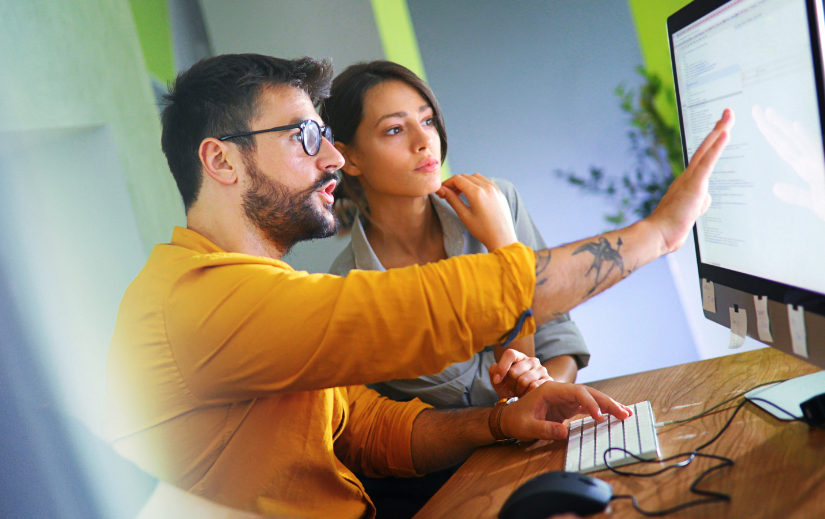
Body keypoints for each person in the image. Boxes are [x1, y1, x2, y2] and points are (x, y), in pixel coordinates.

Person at [102, 53, 733, 519]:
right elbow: (424, 311)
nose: (329, 160)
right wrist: (658, 233)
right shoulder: (196, 302)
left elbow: (372, 429)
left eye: (322, 137)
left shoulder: (263, 289)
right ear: (221, 161)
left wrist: (503, 420)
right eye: (303, 137)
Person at [323, 61, 586, 411]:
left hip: (548, 428)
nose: (424, 141)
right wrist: (505, 250)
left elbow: (558, 341)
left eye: (427, 120)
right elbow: (496, 391)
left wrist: (544, 394)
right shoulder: (352, 292)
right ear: (349, 158)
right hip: (469, 462)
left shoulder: (499, 202)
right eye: (395, 130)